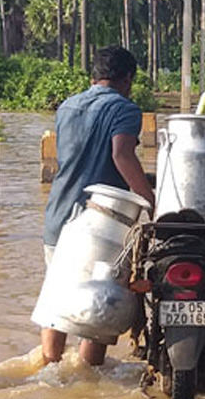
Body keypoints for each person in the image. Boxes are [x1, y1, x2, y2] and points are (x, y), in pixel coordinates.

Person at [39, 45, 156, 366]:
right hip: (104, 223)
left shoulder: (66, 107)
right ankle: (87, 377)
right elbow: (121, 155)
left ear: (94, 75)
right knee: (99, 307)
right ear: (128, 78)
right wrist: (150, 202)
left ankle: (51, 370)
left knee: (56, 303)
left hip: (60, 215)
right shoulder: (125, 109)